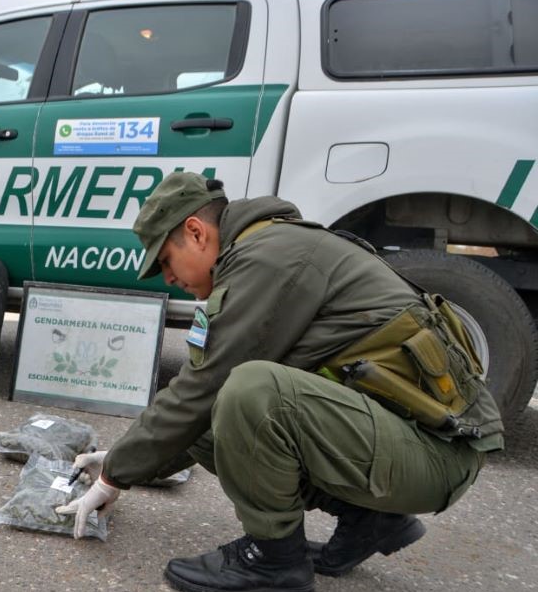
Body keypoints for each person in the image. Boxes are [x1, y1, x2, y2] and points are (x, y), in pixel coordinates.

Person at [57, 172, 503, 592]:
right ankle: (370, 520)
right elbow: (199, 418)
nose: (170, 278)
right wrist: (122, 460)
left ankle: (273, 558)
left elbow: (204, 386)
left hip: (437, 453)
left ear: (196, 232)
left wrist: (115, 477)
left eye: (166, 262)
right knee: (223, 416)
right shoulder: (270, 248)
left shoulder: (269, 258)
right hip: (409, 440)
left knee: (251, 391)